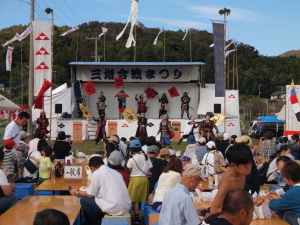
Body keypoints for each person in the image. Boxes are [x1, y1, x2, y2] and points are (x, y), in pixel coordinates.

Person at [70, 157, 131, 225]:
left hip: (114, 207)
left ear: (92, 168)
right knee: (94, 200)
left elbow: (91, 194)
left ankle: (95, 222)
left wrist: (77, 191)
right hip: (125, 206)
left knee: (84, 201)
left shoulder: (97, 173)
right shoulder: (114, 172)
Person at [210, 143, 253, 214]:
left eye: (250, 164)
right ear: (233, 165)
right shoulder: (227, 183)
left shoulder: (241, 174)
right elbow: (214, 210)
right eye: (245, 166)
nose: (249, 168)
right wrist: (236, 212)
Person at [127, 140, 153, 224]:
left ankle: (136, 215)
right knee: (143, 198)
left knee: (135, 199)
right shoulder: (146, 157)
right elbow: (150, 167)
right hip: (144, 179)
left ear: (131, 149)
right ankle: (144, 213)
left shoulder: (132, 159)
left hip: (135, 179)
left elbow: (130, 170)